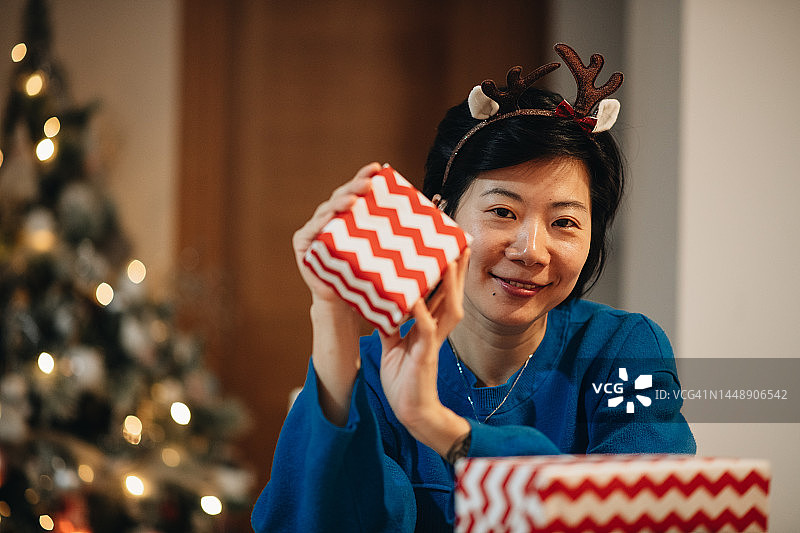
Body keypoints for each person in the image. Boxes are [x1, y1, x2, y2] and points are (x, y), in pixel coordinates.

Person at [251, 44, 695, 532]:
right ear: (440, 214)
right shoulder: (375, 371)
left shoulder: (622, 352)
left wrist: (434, 424)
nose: (532, 250)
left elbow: (644, 517)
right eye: (502, 212)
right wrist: (330, 320)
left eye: (564, 222)